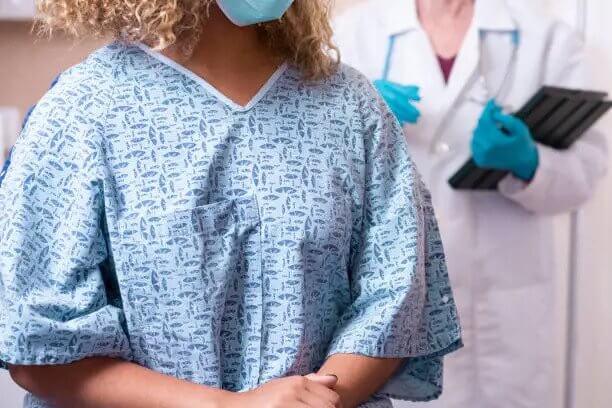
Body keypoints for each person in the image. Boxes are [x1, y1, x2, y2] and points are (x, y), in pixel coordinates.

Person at [0, 1, 462, 408]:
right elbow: (38, 347)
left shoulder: (350, 106)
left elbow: (396, 300)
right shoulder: (84, 112)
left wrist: (316, 401)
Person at [334, 0, 608, 407]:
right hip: (392, 306)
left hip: (507, 316)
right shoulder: (352, 36)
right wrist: (352, 120)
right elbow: (314, 176)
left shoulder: (546, 38)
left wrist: (530, 163)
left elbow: (587, 173)